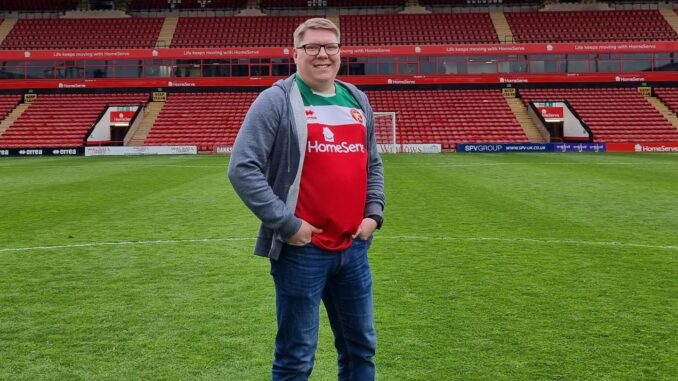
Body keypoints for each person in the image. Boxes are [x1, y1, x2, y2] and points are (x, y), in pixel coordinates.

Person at [227, 18, 385, 381]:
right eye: (312, 47)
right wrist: (287, 223)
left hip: (353, 247)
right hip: (302, 251)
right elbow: (242, 168)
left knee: (360, 349)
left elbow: (372, 163)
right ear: (294, 53)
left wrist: (373, 215)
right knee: (296, 358)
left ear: (340, 53)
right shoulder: (276, 100)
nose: (322, 54)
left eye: (330, 46)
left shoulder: (357, 98)